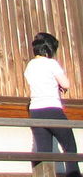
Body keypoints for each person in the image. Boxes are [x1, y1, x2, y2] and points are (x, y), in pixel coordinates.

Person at [24, 32, 80, 177]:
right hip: (52, 108)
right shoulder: (51, 63)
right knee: (69, 147)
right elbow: (66, 84)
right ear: (48, 49)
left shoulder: (30, 66)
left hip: (35, 110)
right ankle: (74, 175)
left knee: (44, 151)